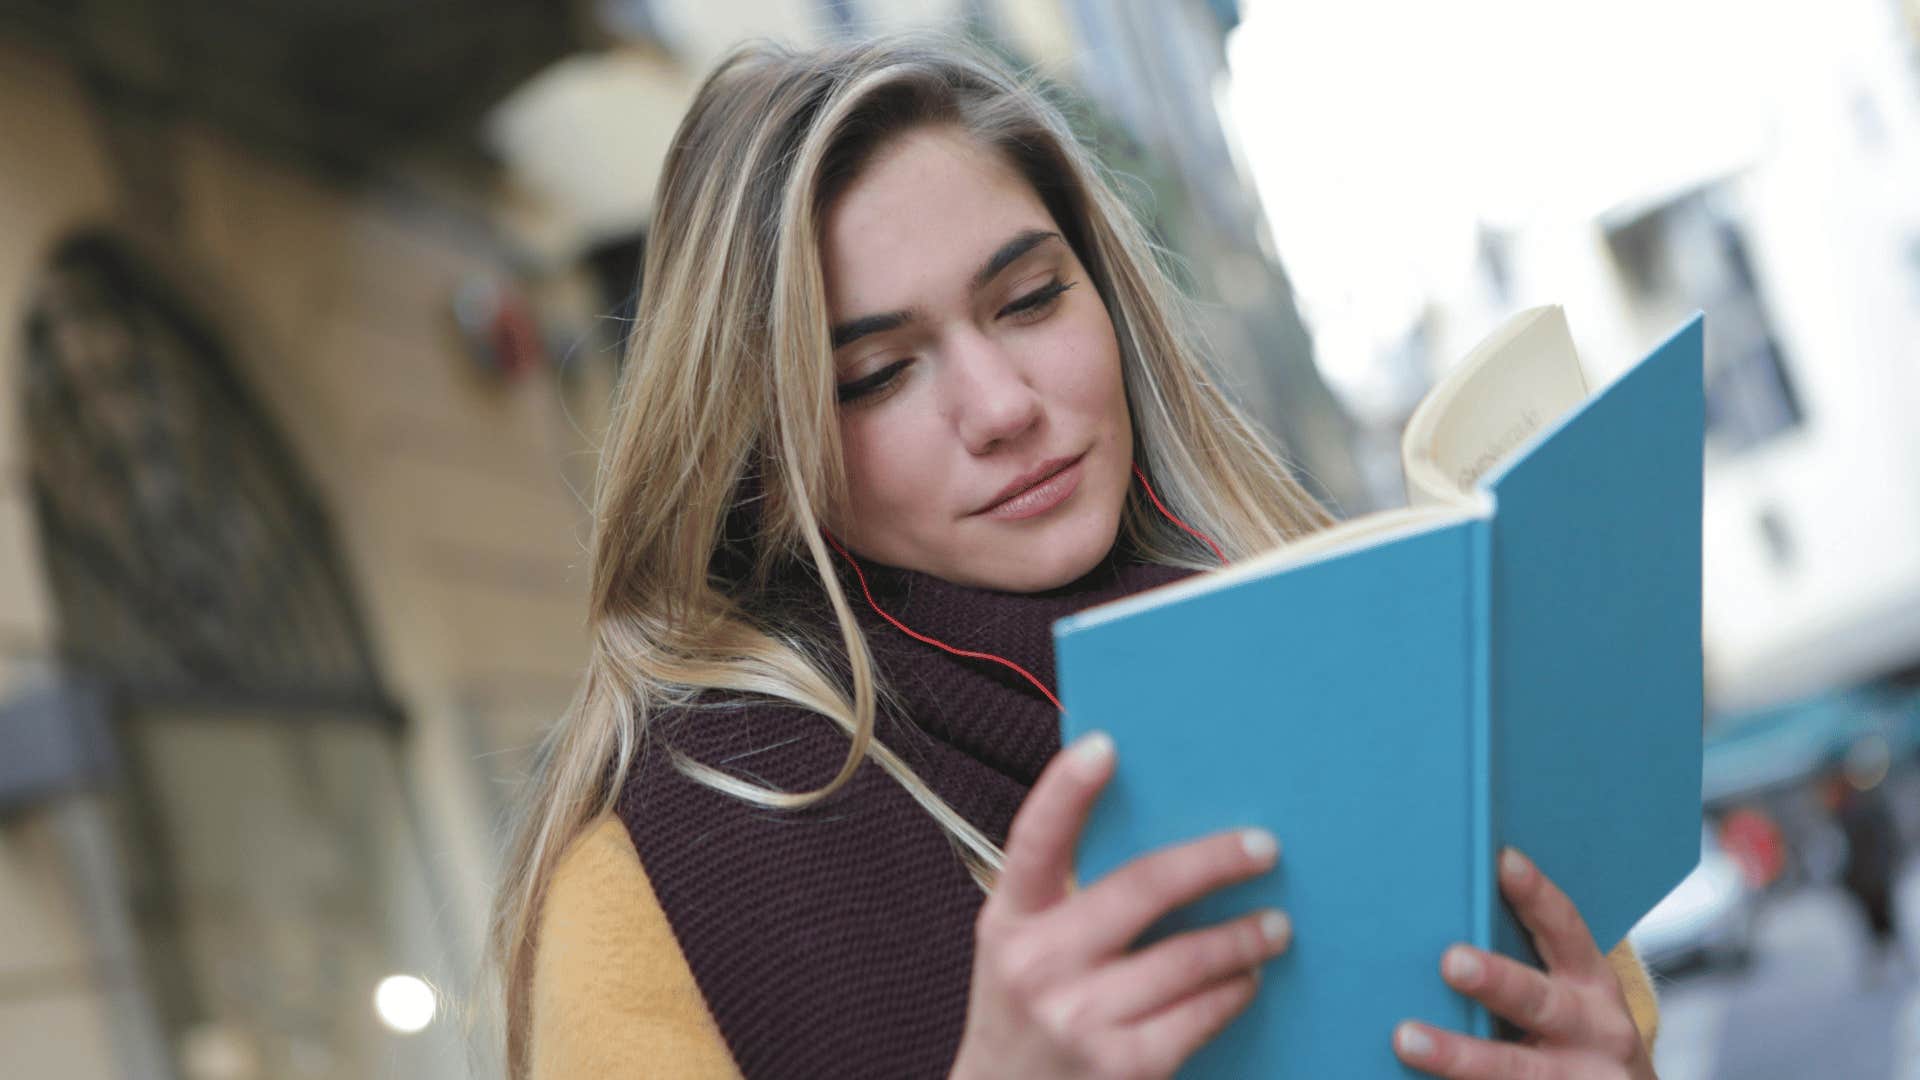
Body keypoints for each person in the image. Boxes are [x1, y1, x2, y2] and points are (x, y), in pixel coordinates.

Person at [488, 33, 1662, 1080]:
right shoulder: (654, 883)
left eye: (1031, 300)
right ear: (763, 456)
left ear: (1109, 300)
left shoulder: (1365, 658)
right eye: (878, 374)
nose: (1002, 405)